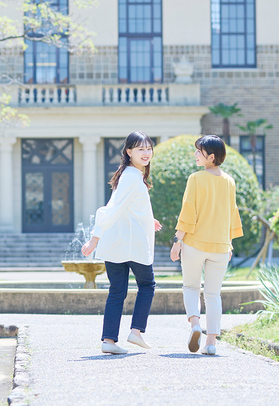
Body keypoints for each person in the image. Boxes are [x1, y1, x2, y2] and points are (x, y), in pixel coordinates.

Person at [81, 132, 163, 355]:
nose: (146, 153)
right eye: (140, 149)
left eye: (148, 148)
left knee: (117, 290)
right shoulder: (131, 176)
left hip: (118, 243)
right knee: (147, 285)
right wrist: (94, 239)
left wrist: (148, 218)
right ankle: (136, 332)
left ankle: (109, 340)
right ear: (129, 152)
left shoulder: (129, 175)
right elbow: (113, 208)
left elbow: (126, 205)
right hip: (131, 244)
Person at [170, 135, 243, 356]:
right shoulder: (229, 180)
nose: (195, 155)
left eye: (199, 152)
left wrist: (177, 241)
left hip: (194, 243)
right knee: (213, 294)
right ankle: (211, 343)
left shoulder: (195, 178)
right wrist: (229, 243)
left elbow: (188, 210)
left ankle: (194, 325)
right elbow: (231, 213)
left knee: (191, 287)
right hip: (221, 246)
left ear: (211, 156)